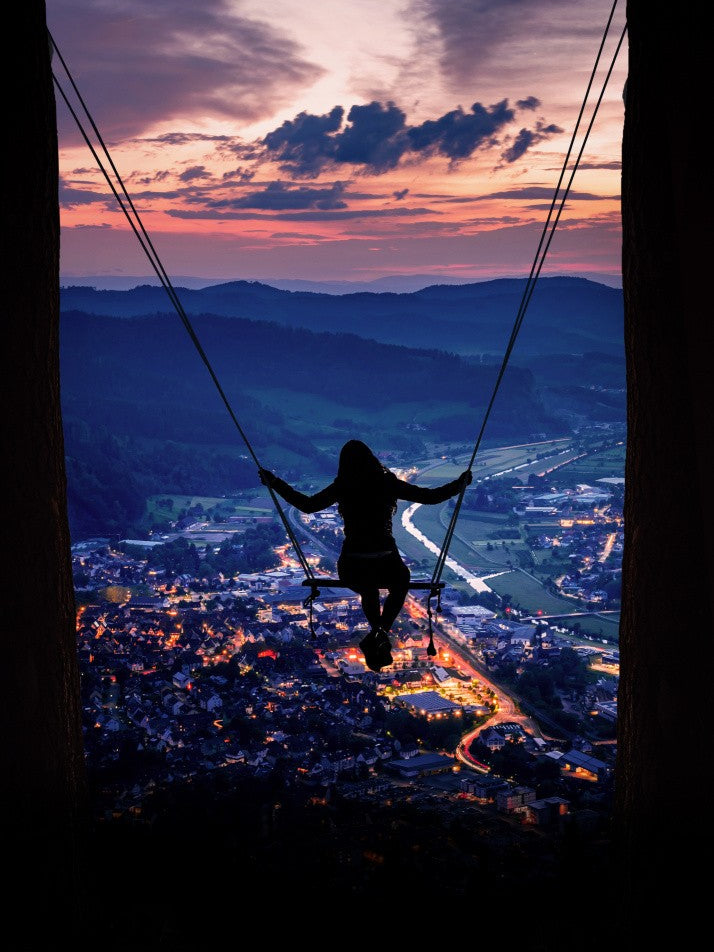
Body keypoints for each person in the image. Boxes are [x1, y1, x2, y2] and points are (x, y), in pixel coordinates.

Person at [259, 440, 471, 672]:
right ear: (372, 459)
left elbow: (307, 505)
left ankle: (378, 635)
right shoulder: (386, 483)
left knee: (368, 589)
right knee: (400, 585)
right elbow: (431, 497)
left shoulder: (344, 485)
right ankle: (379, 634)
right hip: (386, 560)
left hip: (353, 561)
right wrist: (459, 484)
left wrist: (276, 483)